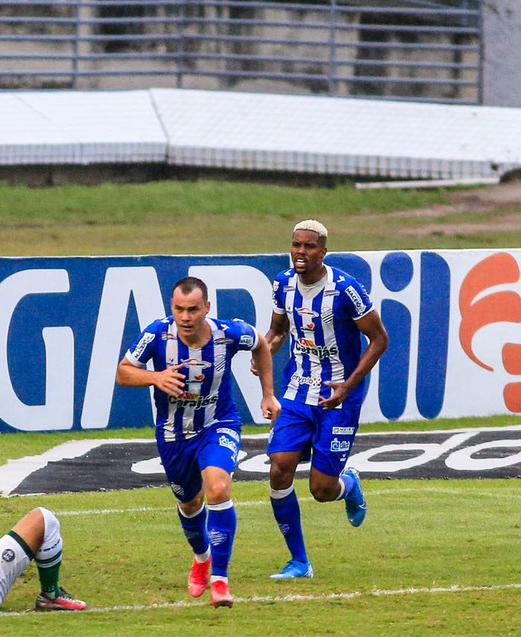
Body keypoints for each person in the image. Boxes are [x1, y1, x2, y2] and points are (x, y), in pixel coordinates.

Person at [116, 276, 280, 608]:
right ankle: (202, 557)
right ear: (171, 307)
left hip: (218, 424)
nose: (186, 317)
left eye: (193, 309)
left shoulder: (228, 333)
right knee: (190, 504)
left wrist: (268, 394)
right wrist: (156, 377)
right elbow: (123, 372)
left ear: (207, 307)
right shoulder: (157, 334)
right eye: (179, 309)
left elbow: (261, 343)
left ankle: (220, 580)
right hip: (173, 435)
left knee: (218, 488)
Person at [258, 219, 389, 580]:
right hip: (297, 390)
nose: (300, 251)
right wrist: (265, 350)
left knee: (321, 489)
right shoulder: (283, 284)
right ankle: (299, 561)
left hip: (338, 397)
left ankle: (349, 485)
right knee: (279, 467)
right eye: (296, 245)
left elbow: (379, 339)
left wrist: (348, 385)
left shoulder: (346, 290)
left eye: (309, 246)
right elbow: (278, 330)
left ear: (323, 251)